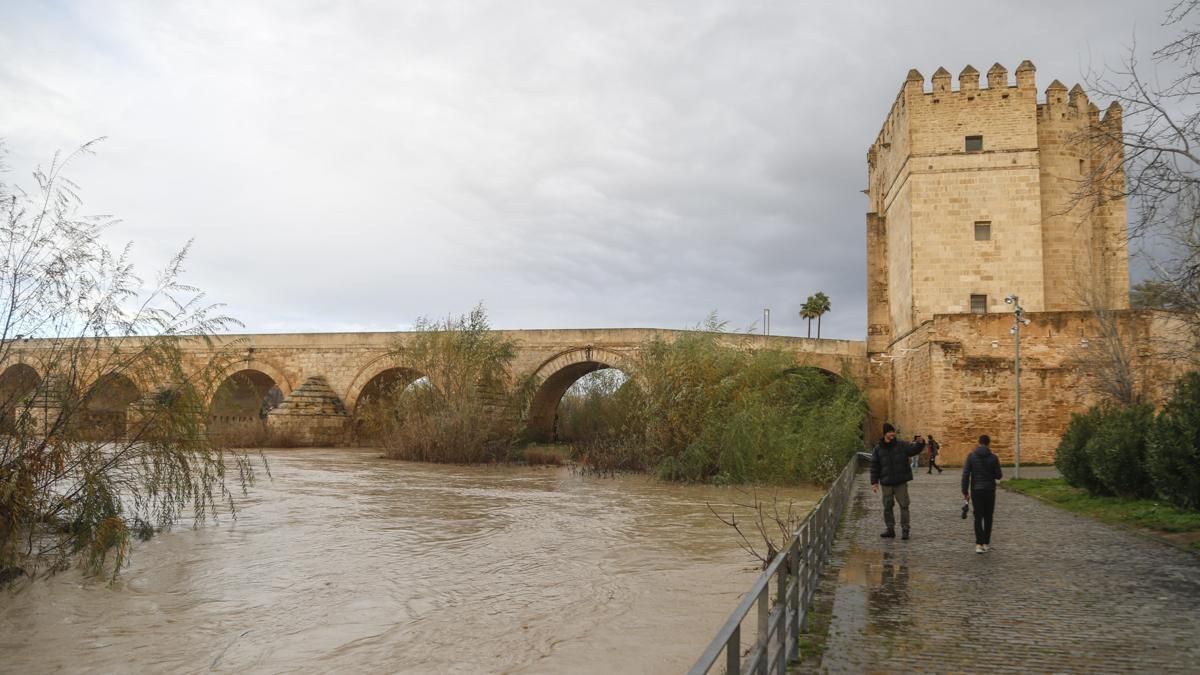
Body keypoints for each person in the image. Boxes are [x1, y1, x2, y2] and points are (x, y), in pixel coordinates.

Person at [870, 423, 926, 540]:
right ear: (885, 434)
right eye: (890, 432)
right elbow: (874, 466)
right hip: (886, 482)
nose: (892, 434)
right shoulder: (878, 449)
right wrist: (874, 482)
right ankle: (890, 529)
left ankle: (905, 529)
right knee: (887, 506)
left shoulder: (901, 445)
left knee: (904, 505)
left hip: (900, 482)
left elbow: (913, 450)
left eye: (893, 432)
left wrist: (920, 443)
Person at [962, 434, 1003, 553]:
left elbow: (966, 474)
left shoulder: (971, 456)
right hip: (989, 490)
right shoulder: (994, 457)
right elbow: (998, 475)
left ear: (979, 442)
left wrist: (965, 491)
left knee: (978, 517)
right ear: (989, 443)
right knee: (988, 516)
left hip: (976, 490)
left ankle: (978, 544)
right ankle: (986, 543)